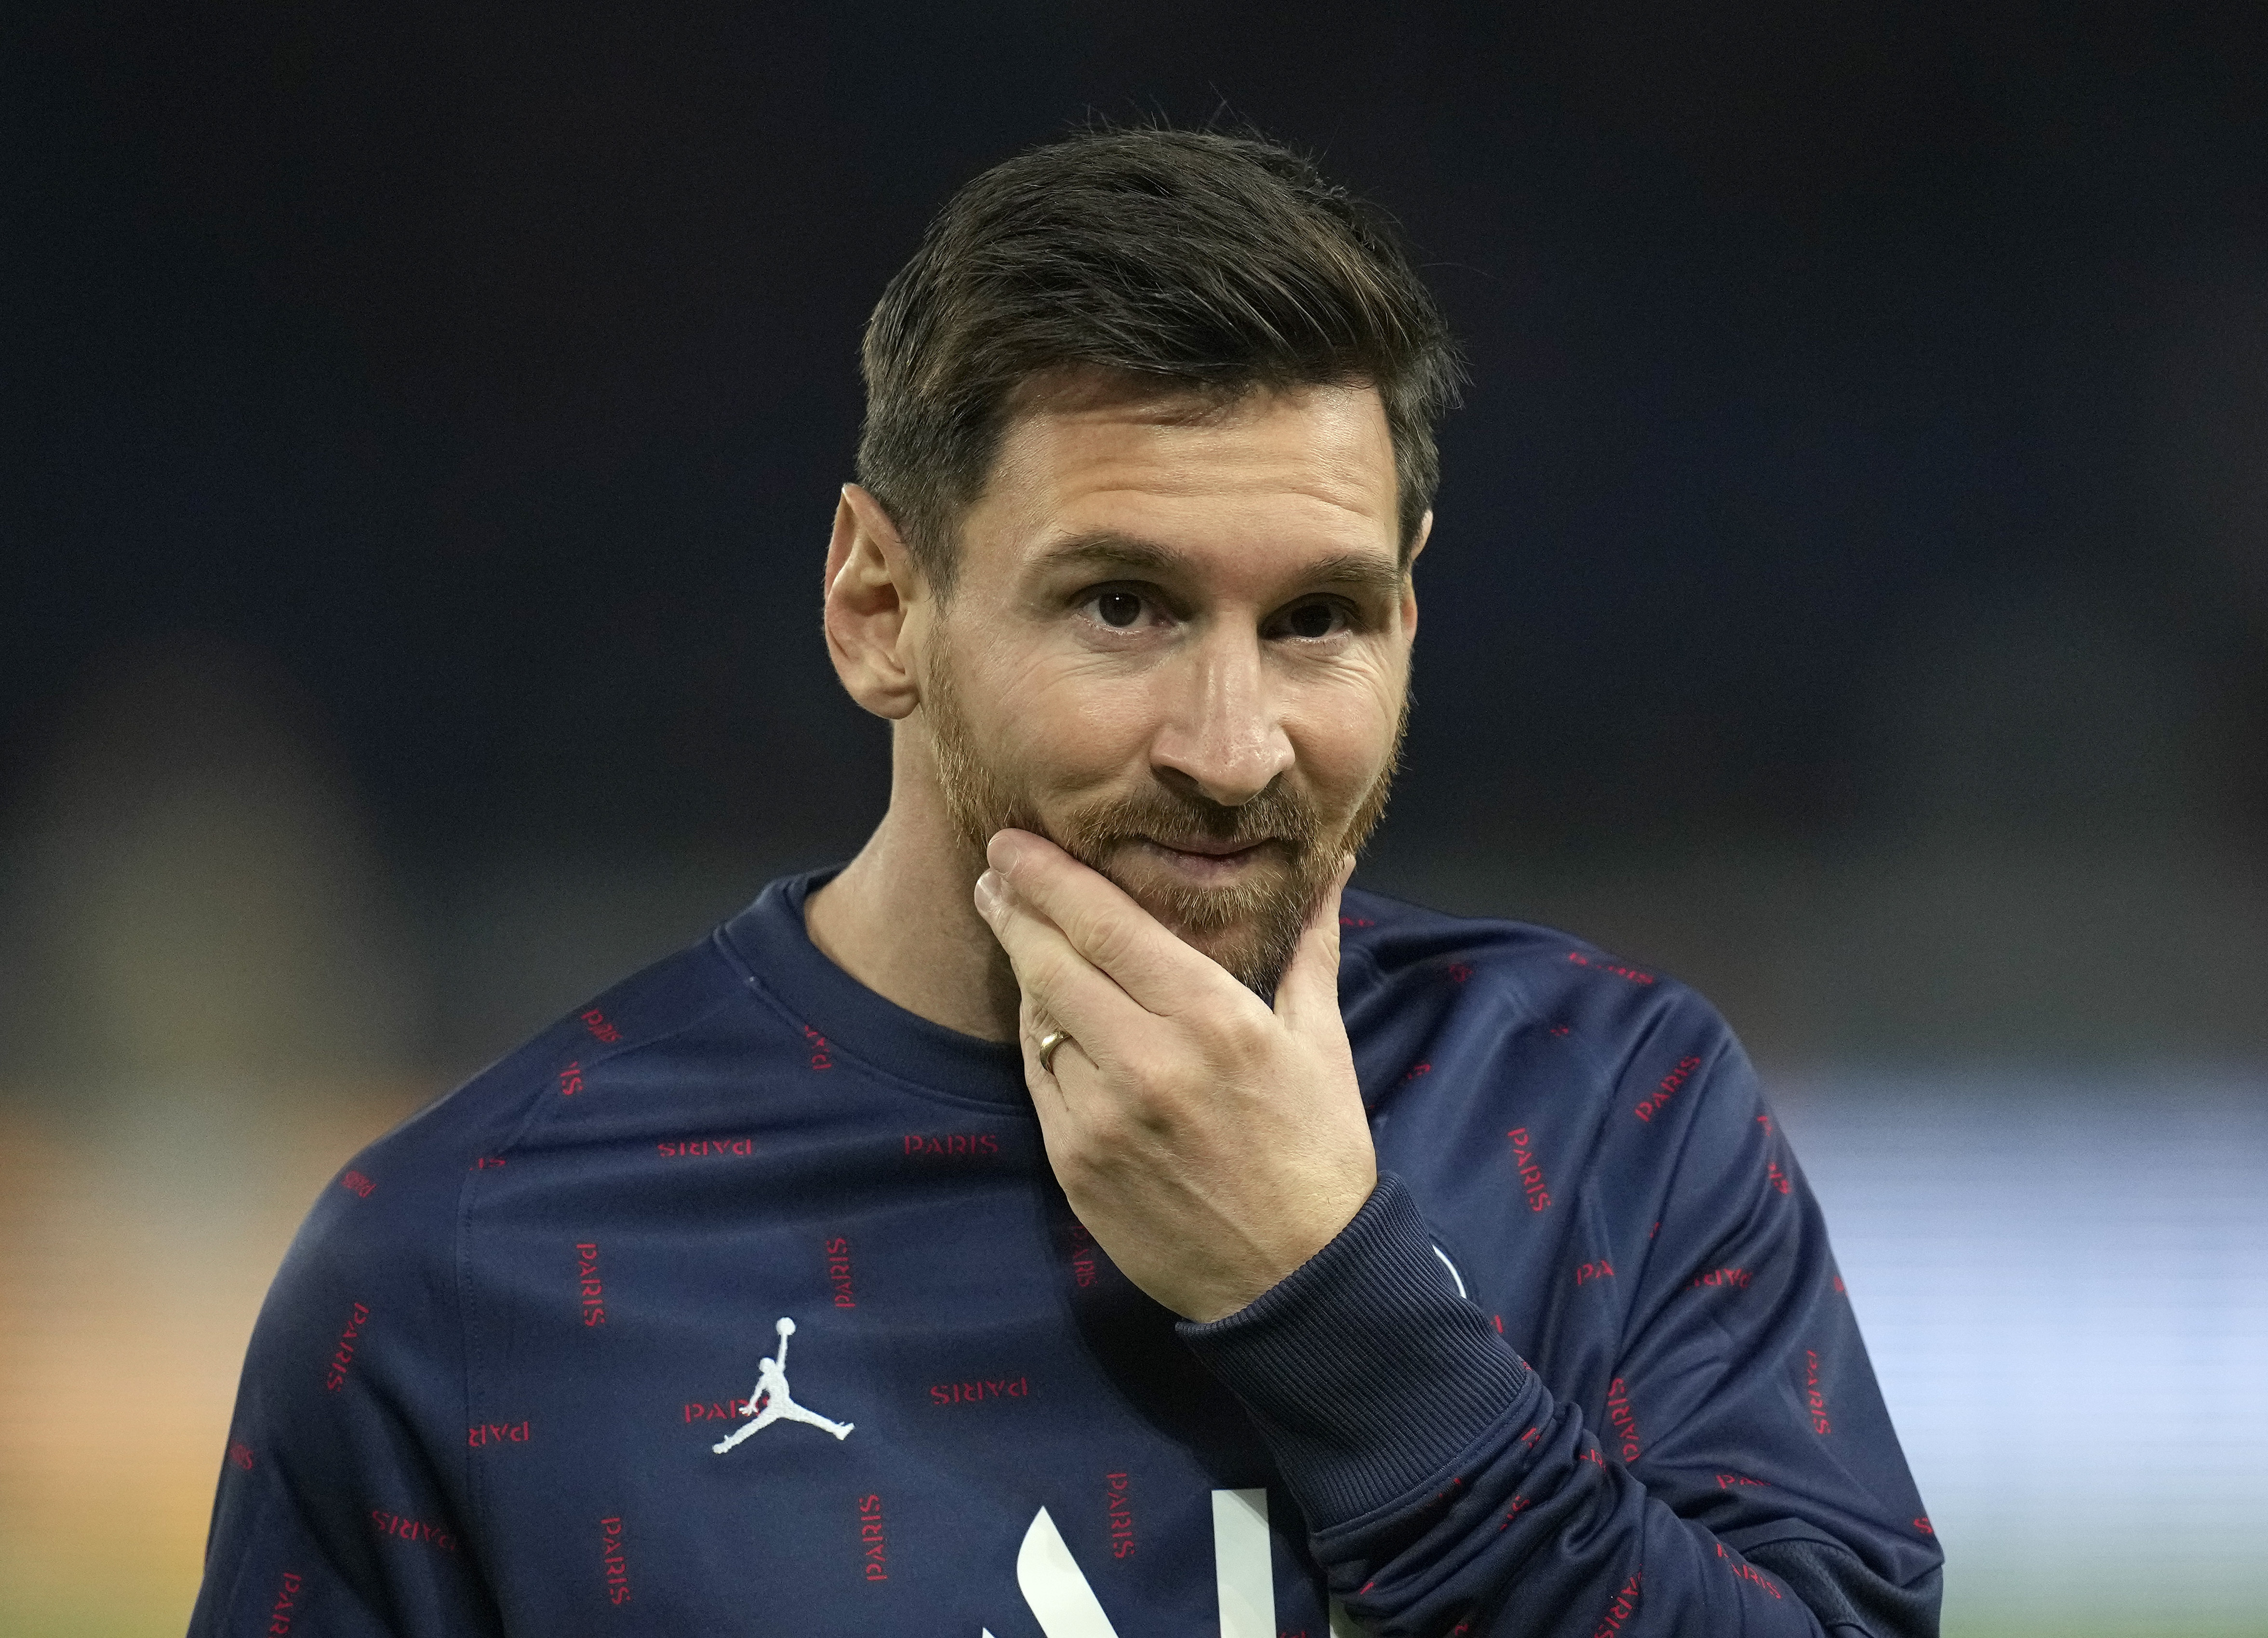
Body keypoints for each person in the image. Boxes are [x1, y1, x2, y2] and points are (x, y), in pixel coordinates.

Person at [188, 124, 1942, 1636]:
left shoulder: (1604, 1117)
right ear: (879, 606)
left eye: (1316, 619)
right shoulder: (472, 1265)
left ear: (1409, 611)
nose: (1232, 742)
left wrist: (1343, 1316)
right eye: (1124, 606)